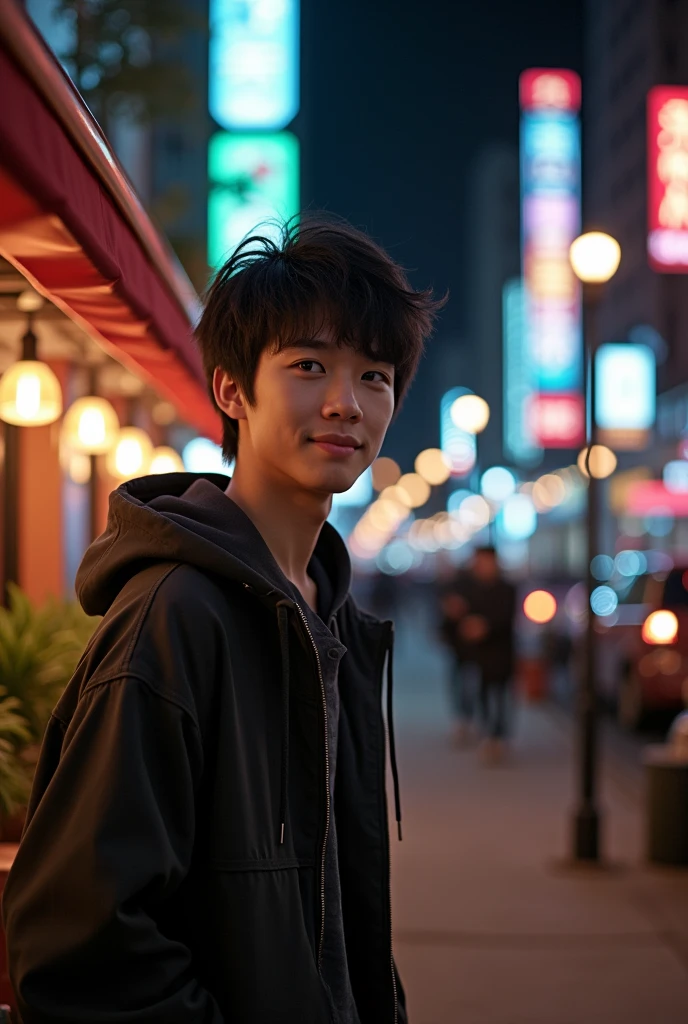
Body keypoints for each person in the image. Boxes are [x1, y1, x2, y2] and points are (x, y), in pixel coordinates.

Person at [2, 216, 443, 1024]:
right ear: (232, 390)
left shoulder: (328, 615)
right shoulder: (173, 619)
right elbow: (78, 949)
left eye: (374, 376)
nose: (346, 404)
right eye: (309, 366)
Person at [455, 546, 516, 763]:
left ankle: (499, 736)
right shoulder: (471, 589)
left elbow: (506, 618)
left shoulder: (507, 589)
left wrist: (485, 626)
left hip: (501, 653)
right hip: (479, 654)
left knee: (501, 696)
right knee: (482, 692)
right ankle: (487, 732)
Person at [437, 583, 478, 744]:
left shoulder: (473, 602)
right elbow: (444, 631)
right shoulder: (450, 614)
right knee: (458, 687)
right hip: (458, 655)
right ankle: (462, 721)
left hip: (474, 655)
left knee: (470, 688)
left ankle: (469, 720)